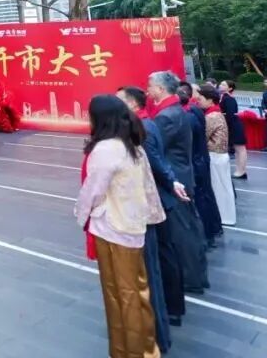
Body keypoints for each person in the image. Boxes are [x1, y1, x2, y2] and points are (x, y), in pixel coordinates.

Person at [76, 95, 164, 358]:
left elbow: (93, 191)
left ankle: (128, 352)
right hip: (133, 226)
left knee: (120, 296)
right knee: (138, 292)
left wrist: (81, 214)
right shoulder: (132, 145)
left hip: (112, 228)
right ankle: (145, 350)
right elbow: (149, 187)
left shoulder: (105, 149)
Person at [117, 85, 175, 351]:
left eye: (120, 100)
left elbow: (152, 169)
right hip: (145, 210)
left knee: (150, 272)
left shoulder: (141, 130)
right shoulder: (143, 126)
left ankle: (155, 335)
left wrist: (172, 182)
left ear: (132, 104)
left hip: (144, 213)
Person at [148, 71, 209, 299]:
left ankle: (191, 277)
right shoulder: (177, 110)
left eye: (150, 86)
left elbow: (154, 148)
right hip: (181, 174)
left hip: (174, 179)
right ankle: (195, 275)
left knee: (182, 230)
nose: (148, 90)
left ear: (160, 89)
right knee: (188, 226)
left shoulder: (166, 116)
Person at [178, 82, 221, 247]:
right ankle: (212, 230)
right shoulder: (195, 111)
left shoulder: (188, 115)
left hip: (195, 163)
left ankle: (207, 236)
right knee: (206, 197)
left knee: (201, 201)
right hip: (200, 160)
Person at [197, 85, 236, 227]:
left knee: (220, 188)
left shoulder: (211, 116)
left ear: (210, 100)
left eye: (200, 99)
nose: (198, 101)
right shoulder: (216, 113)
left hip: (215, 155)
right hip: (219, 155)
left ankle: (224, 216)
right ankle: (226, 216)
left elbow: (203, 136)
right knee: (223, 187)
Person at [218, 80, 248, 179]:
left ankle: (242, 171)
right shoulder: (223, 97)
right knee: (237, 149)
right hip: (231, 124)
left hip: (234, 125)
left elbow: (230, 114)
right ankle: (240, 170)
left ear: (230, 88)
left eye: (223, 84)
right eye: (221, 84)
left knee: (240, 149)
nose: (220, 85)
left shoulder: (228, 98)